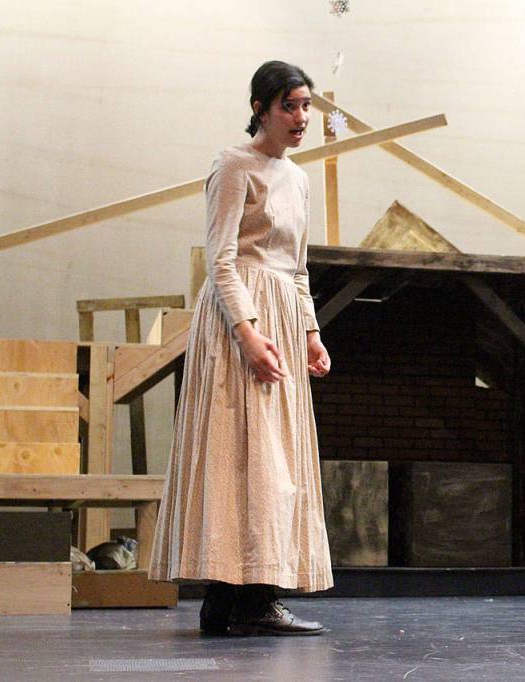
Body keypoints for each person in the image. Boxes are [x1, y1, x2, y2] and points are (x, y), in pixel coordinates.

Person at [149, 61, 333, 636]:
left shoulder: (298, 179)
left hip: (280, 314)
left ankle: (255, 596)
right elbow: (221, 258)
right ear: (260, 108)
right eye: (290, 106)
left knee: (277, 461)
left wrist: (310, 332)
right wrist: (246, 331)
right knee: (239, 454)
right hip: (239, 318)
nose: (301, 117)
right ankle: (226, 600)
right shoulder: (233, 165)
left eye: (306, 106)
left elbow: (298, 269)